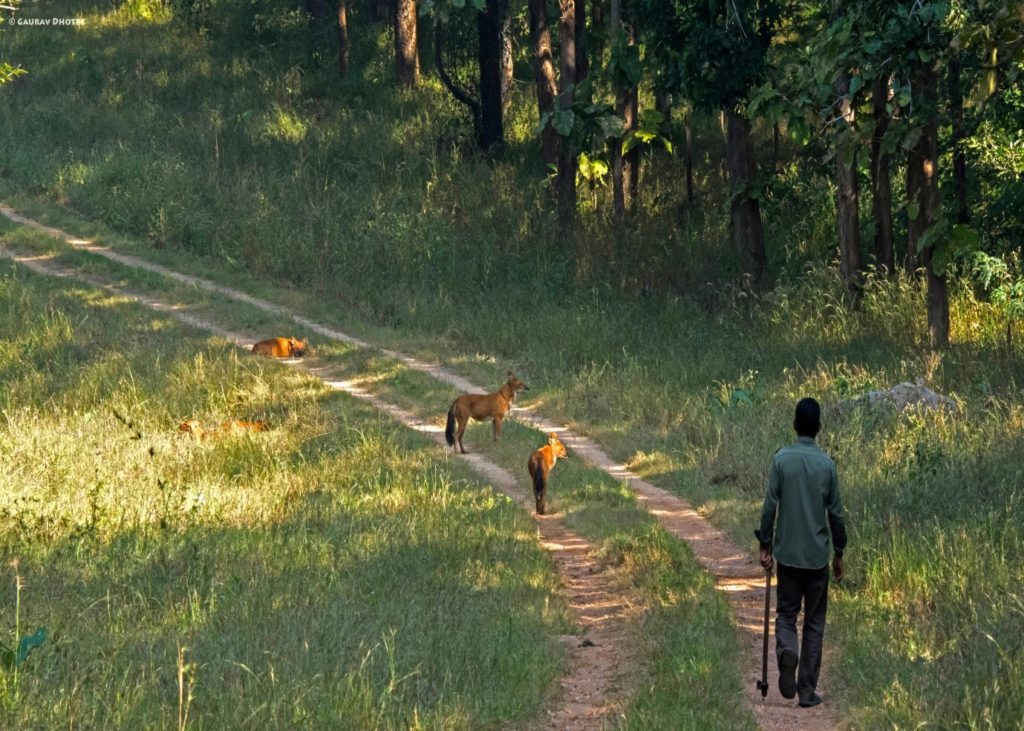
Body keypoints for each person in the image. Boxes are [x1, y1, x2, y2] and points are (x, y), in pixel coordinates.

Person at [755, 397, 846, 708]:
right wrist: (840, 551)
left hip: (789, 555)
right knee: (815, 622)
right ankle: (807, 690)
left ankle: (786, 652)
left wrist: (765, 542)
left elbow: (770, 507)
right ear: (819, 428)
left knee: (786, 614)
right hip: (817, 557)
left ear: (795, 425)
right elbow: (836, 514)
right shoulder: (828, 466)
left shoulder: (782, 460)